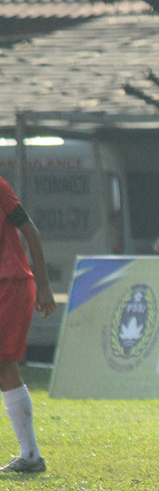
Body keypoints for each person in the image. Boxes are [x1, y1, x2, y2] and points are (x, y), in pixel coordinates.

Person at [0, 174, 56, 473]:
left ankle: (31, 456)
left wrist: (44, 285)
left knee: (5, 366)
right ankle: (30, 456)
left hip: (10, 283)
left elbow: (30, 231)